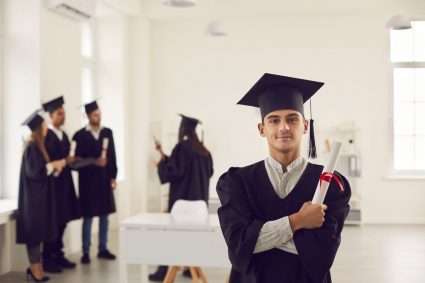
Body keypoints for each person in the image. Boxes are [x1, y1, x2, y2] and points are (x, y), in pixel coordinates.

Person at [216, 73, 351, 283]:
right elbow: (238, 244)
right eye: (274, 120)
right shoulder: (236, 182)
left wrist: (256, 238)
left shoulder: (332, 184)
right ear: (262, 129)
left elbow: (321, 253)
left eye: (292, 119)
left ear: (305, 126)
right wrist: (298, 221)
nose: (284, 127)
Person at [148, 114, 214, 282]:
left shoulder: (182, 148)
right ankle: (191, 267)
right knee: (193, 236)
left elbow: (174, 171)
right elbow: (205, 171)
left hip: (182, 203)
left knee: (172, 235)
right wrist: (164, 155)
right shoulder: (204, 151)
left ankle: (164, 271)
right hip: (199, 205)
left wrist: (161, 165)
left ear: (182, 129)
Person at [16, 110, 67, 282]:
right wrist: (53, 165)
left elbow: (42, 172)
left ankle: (37, 269)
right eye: (44, 125)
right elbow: (34, 172)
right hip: (32, 201)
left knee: (38, 236)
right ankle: (34, 269)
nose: (46, 127)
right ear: (38, 128)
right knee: (34, 236)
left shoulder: (39, 147)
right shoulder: (31, 147)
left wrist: (54, 167)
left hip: (38, 199)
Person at [72, 101, 118, 264]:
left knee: (105, 217)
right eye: (95, 115)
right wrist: (93, 162)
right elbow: (75, 162)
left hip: (104, 180)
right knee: (88, 217)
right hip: (88, 183)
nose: (98, 117)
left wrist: (113, 176)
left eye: (99, 114)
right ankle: (85, 251)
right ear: (88, 117)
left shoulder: (107, 133)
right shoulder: (79, 136)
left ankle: (103, 248)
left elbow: (112, 156)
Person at [41, 96, 81, 273]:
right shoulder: (47, 136)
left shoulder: (64, 135)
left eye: (64, 113)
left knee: (63, 220)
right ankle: (48, 257)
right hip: (52, 186)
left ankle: (59, 253)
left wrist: (73, 161)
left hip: (65, 183)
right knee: (53, 222)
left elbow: (66, 159)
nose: (63, 116)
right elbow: (48, 161)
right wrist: (65, 160)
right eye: (59, 113)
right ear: (51, 116)